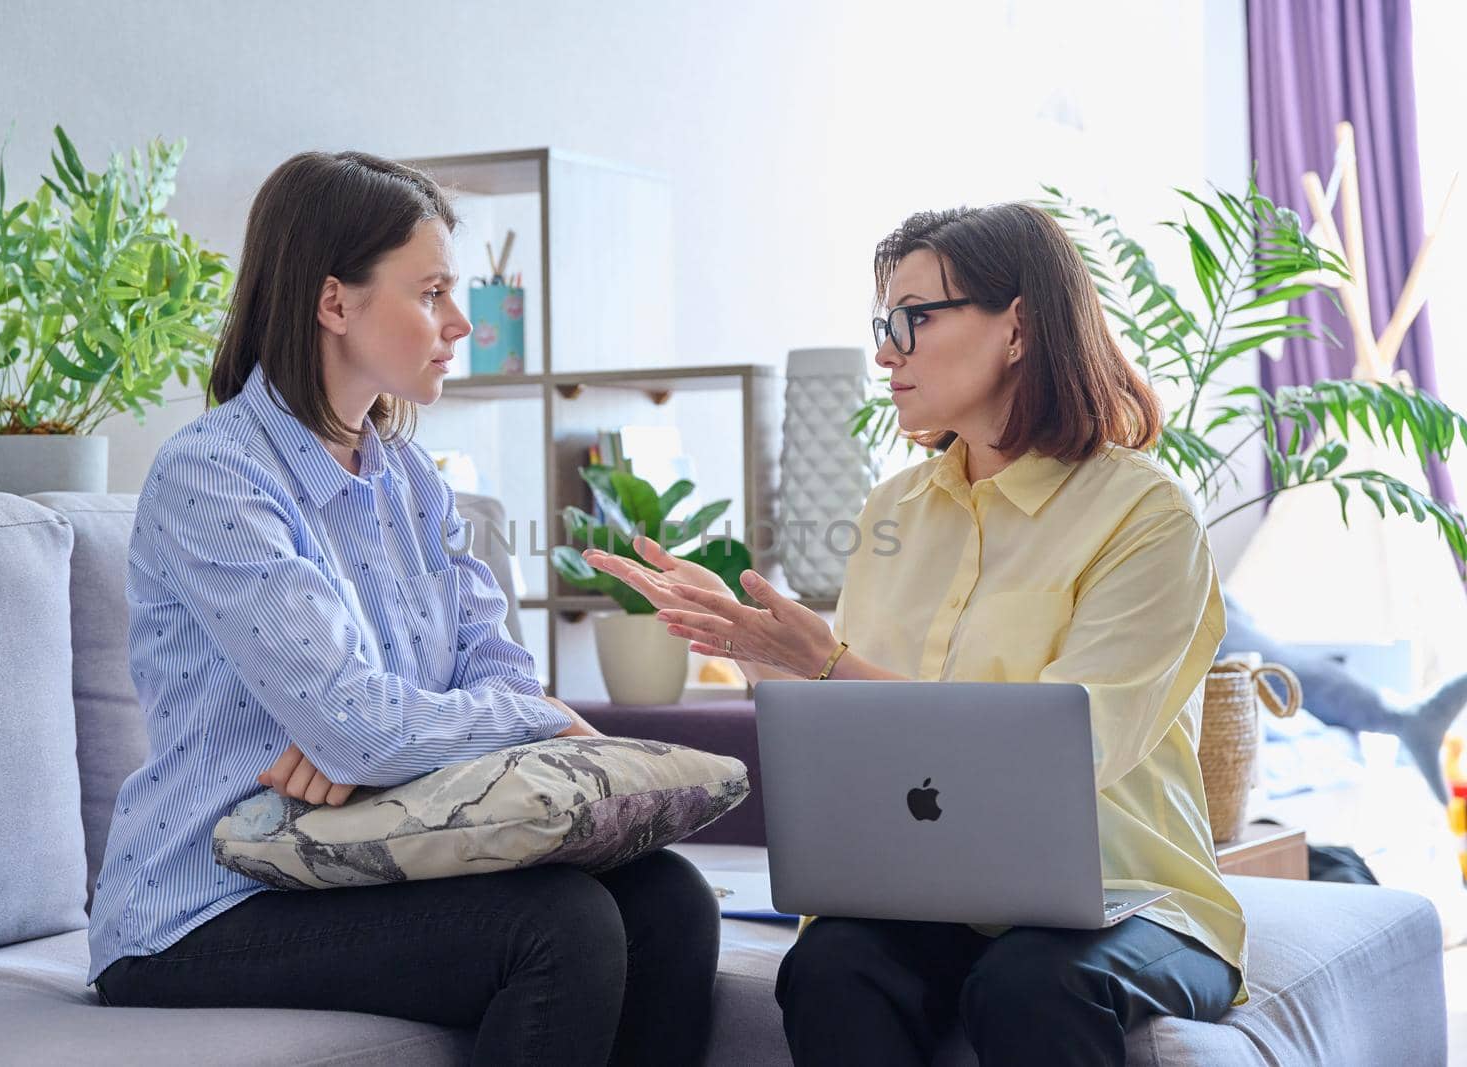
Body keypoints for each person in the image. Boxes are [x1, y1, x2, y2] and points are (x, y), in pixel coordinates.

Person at [86, 151, 720, 1067]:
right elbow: (380, 724)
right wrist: (497, 723)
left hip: (359, 856)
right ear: (333, 302)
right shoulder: (214, 475)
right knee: (561, 924)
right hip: (204, 904)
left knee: (671, 901)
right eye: (430, 292)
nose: (459, 322)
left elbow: (467, 677)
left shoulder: (409, 478)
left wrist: (380, 740)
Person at [585, 203, 1244, 1066]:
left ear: (1018, 325)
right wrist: (762, 658)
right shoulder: (894, 510)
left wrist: (822, 660)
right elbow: (870, 742)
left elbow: (1059, 752)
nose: (886, 350)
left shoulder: (1145, 513)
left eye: (913, 319)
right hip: (936, 897)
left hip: (1133, 900)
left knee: (1030, 982)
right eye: (881, 324)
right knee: (830, 963)